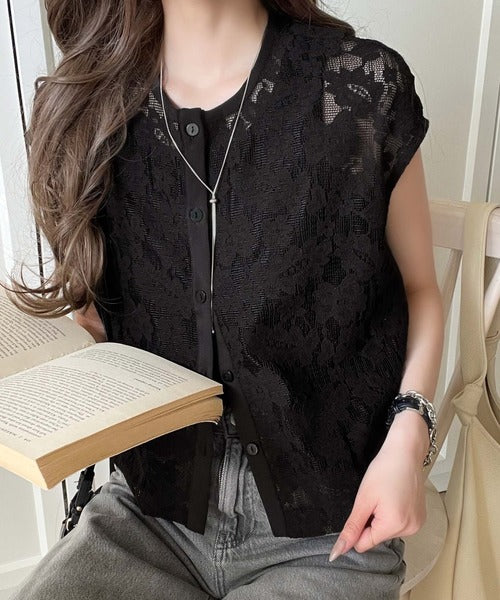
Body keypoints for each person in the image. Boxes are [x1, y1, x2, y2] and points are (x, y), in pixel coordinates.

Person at [5, 0, 444, 598]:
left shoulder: (358, 86)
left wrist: (410, 438)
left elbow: (421, 290)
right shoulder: (90, 108)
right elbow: (99, 329)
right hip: (150, 514)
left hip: (332, 529)